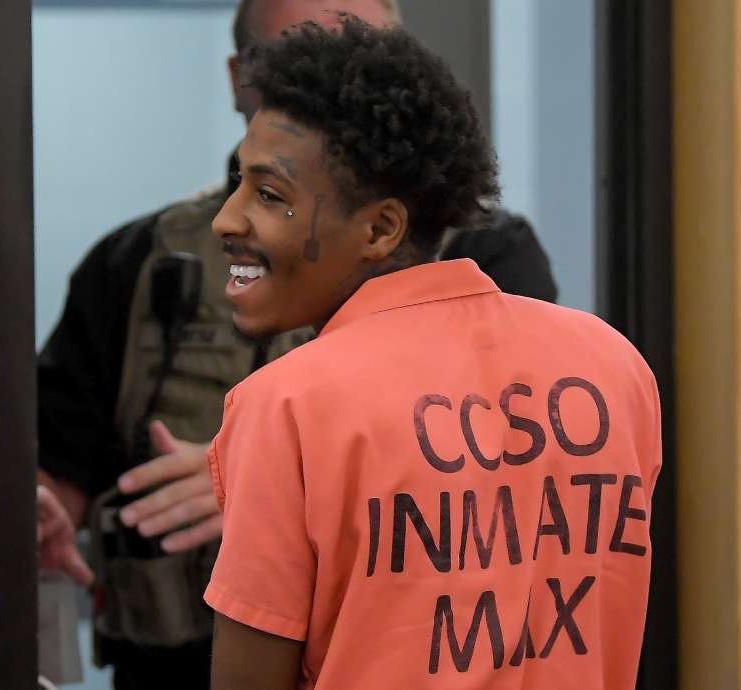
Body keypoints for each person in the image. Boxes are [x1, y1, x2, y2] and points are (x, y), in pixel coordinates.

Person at [35, 1, 557, 688]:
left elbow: (522, 480)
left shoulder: (488, 258)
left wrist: (267, 487)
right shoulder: (139, 262)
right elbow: (56, 471)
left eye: (364, 54)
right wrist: (33, 515)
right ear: (237, 80)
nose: (340, 81)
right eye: (296, 59)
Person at [204, 19, 661, 689]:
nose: (225, 218)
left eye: (270, 195)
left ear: (381, 228)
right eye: (239, 183)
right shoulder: (614, 366)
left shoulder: (288, 404)